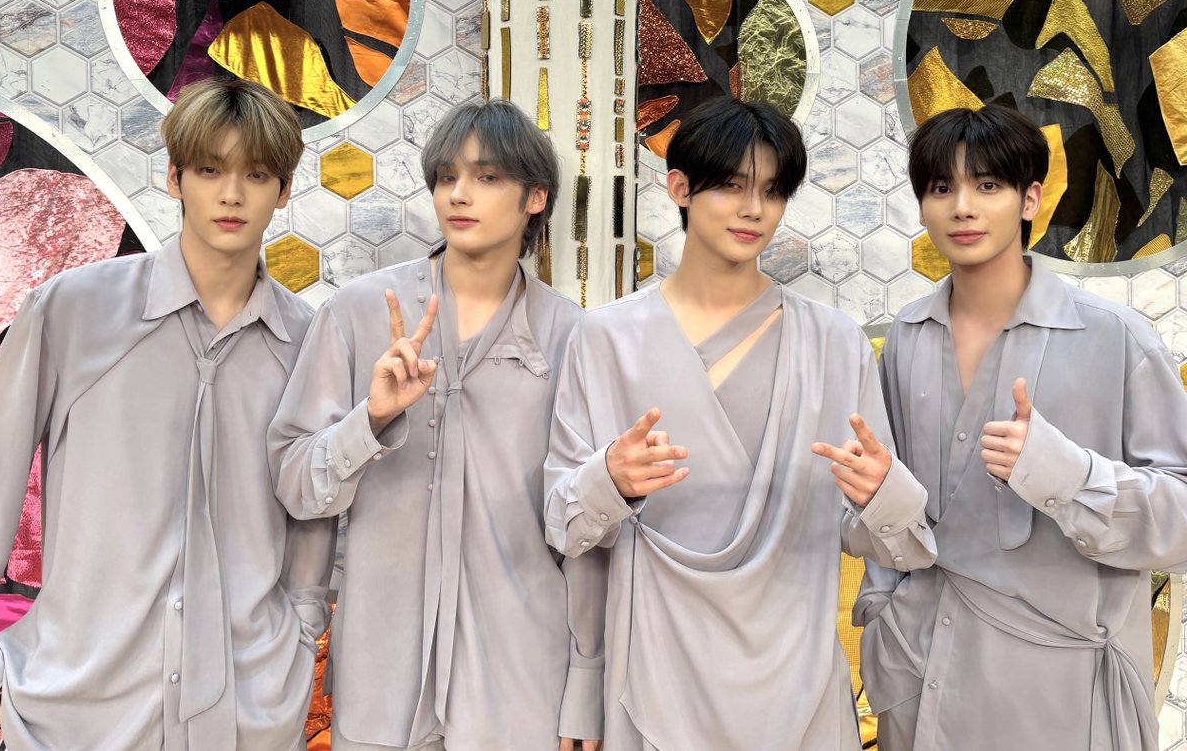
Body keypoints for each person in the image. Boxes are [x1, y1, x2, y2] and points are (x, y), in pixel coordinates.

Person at [544, 96, 937, 750]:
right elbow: (566, 527)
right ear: (679, 187)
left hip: (799, 684)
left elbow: (890, 545)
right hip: (655, 679)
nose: (754, 209)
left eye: (772, 191)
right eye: (731, 185)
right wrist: (608, 480)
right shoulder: (604, 339)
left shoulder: (834, 344)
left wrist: (884, 495)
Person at [0, 78, 334, 750]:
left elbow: (314, 514)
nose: (231, 195)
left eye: (256, 174)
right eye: (209, 170)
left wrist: (297, 642)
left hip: (245, 714)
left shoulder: (311, 343)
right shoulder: (72, 312)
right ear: (175, 178)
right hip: (79, 716)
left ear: (285, 189)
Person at [268, 98, 600, 751]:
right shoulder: (358, 313)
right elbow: (296, 487)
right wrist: (372, 419)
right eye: (447, 177)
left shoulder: (573, 336)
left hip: (521, 685)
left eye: (486, 177)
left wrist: (586, 681)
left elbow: (585, 532)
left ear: (535, 198)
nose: (459, 194)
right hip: (381, 683)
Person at [857, 104, 1187, 751]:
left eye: (988, 185)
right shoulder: (906, 339)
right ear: (921, 206)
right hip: (921, 681)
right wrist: (882, 617)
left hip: (1061, 699)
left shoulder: (1114, 338)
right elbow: (895, 509)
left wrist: (1070, 476)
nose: (963, 208)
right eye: (941, 188)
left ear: (1031, 198)